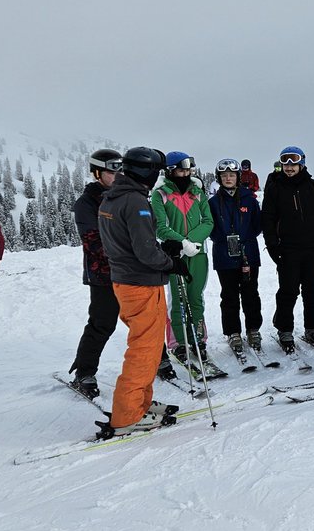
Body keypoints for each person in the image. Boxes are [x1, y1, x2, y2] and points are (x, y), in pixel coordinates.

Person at [96, 146, 189, 437]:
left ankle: (140, 402)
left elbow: (132, 241)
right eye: (156, 171)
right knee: (145, 349)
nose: (157, 177)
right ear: (146, 171)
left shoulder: (114, 196)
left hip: (128, 280)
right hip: (140, 283)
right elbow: (145, 252)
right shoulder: (135, 201)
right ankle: (128, 414)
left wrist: (164, 249)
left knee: (147, 345)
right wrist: (171, 262)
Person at [261, 145, 314, 352]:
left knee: (313, 290)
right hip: (288, 249)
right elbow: (268, 218)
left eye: (293, 162)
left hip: (312, 247)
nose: (289, 167)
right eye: (285, 162)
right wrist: (272, 245)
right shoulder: (275, 188)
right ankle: (284, 329)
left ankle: (313, 327)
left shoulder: (312, 185)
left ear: (301, 164)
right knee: (288, 291)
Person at [66, 147, 122, 397]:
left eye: (120, 171)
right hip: (103, 274)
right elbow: (93, 242)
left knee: (143, 320)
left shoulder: (124, 197)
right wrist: (128, 255)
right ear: (97, 173)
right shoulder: (86, 203)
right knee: (102, 323)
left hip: (130, 272)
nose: (117, 176)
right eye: (112, 172)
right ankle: (84, 372)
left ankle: (158, 360)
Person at [152, 151, 214, 368]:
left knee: (195, 296)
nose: (186, 173)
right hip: (175, 254)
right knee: (177, 299)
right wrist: (182, 243)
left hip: (198, 252)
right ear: (170, 171)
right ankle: (178, 342)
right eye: (181, 169)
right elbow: (160, 227)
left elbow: (208, 221)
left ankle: (198, 338)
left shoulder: (197, 192)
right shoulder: (160, 194)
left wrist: (193, 242)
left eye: (188, 169)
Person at [207, 158, 264, 357]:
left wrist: (244, 239)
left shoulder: (250, 200)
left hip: (248, 253)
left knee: (251, 293)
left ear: (238, 177)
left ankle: (253, 329)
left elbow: (257, 225)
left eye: (232, 175)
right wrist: (223, 239)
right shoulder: (213, 203)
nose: (228, 178)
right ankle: (233, 332)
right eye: (224, 176)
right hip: (225, 255)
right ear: (219, 178)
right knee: (229, 295)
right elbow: (210, 227)